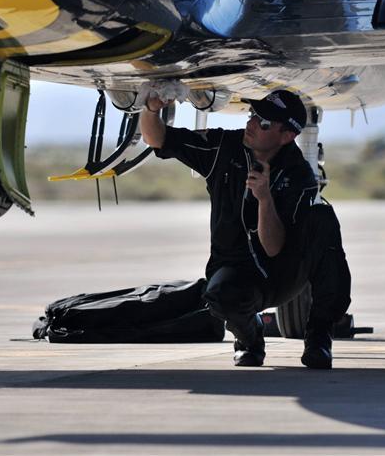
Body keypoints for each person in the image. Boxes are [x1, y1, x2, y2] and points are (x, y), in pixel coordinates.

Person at [140, 88, 352, 369]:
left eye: (263, 122)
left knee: (322, 219)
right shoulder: (223, 148)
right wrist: (152, 109)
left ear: (287, 136)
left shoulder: (298, 174)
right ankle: (249, 339)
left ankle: (319, 335)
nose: (251, 124)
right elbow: (158, 139)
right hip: (235, 268)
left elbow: (273, 248)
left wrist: (264, 198)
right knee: (219, 296)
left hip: (281, 274)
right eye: (253, 115)